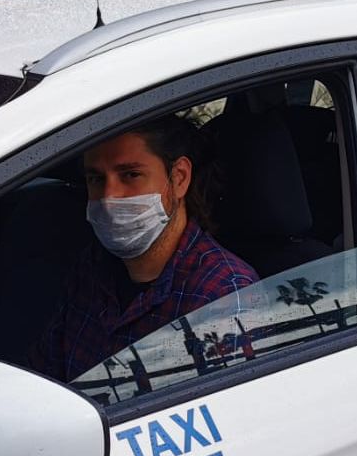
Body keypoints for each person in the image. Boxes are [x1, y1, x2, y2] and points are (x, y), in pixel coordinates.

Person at [30, 115, 256, 382]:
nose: (109, 196)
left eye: (131, 175)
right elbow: (46, 377)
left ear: (179, 178)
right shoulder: (91, 267)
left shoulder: (223, 295)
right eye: (96, 179)